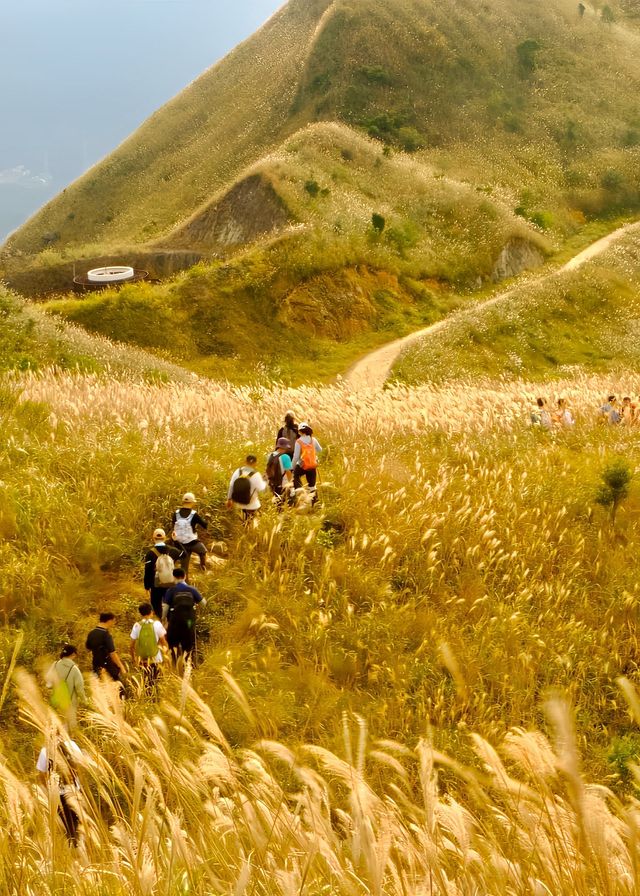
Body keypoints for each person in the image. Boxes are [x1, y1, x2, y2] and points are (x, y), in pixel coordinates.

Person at [36, 736, 84, 846]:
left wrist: (50, 790)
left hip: (58, 795)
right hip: (74, 791)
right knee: (79, 825)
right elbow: (81, 767)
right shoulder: (72, 745)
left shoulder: (45, 750)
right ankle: (80, 850)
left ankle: (72, 850)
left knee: (66, 829)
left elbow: (41, 776)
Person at [162, 568, 205, 661]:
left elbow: (165, 607)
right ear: (185, 576)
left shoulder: (171, 590)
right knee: (189, 643)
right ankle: (188, 664)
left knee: (173, 644)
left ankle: (175, 664)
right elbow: (204, 603)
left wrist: (163, 619)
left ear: (174, 577)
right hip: (189, 621)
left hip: (175, 621)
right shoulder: (192, 589)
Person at [143, 528, 185, 619]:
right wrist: (176, 541)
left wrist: (147, 587)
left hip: (156, 585)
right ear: (165, 538)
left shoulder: (150, 553)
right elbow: (184, 554)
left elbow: (148, 571)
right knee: (170, 605)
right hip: (170, 583)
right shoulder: (172, 550)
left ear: (153, 538)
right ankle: (170, 623)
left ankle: (161, 621)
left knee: (156, 604)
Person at [130, 602, 168, 694]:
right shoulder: (157, 624)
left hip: (142, 659)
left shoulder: (136, 625)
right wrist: (166, 656)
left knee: (146, 682)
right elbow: (163, 642)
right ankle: (156, 700)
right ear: (151, 612)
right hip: (156, 658)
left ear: (140, 613)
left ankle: (148, 699)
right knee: (156, 682)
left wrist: (134, 659)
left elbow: (131, 646)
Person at [45, 645, 86, 732]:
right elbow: (79, 688)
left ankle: (55, 742)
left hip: (56, 699)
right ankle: (66, 743)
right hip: (70, 702)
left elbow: (48, 679)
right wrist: (84, 700)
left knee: (56, 723)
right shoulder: (74, 669)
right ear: (73, 654)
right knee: (70, 726)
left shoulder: (55, 664)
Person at [170, 493, 208, 579]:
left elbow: (173, 527)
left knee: (184, 568)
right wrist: (206, 518)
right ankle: (203, 566)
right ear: (192, 502)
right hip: (192, 542)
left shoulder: (175, 514)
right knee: (203, 551)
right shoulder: (194, 514)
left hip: (180, 545)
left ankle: (184, 583)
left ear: (183, 502)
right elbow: (205, 525)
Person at [85, 613, 127, 683]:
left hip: (96, 664)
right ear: (109, 621)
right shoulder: (106, 635)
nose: (114, 623)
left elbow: (88, 647)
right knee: (119, 687)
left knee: (100, 687)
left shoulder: (91, 633)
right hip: (107, 665)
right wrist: (121, 667)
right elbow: (112, 653)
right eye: (114, 621)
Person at [227, 454, 267, 522]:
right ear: (255, 463)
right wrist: (265, 481)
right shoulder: (256, 475)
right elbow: (262, 489)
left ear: (245, 461)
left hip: (239, 504)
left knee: (241, 523)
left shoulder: (238, 471)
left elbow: (231, 486)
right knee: (252, 524)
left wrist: (229, 499)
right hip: (252, 505)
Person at [292, 423, 322, 493]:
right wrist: (314, 454)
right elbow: (320, 449)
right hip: (312, 465)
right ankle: (314, 502)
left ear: (300, 431)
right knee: (312, 487)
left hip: (302, 465)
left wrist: (292, 467)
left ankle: (300, 493)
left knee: (295, 476)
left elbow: (296, 457)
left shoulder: (299, 441)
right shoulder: (313, 440)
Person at [266, 438, 294, 506]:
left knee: (276, 501)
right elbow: (288, 472)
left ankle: (277, 513)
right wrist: (291, 484)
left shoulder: (269, 455)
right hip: (283, 484)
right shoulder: (286, 457)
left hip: (272, 483)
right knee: (286, 502)